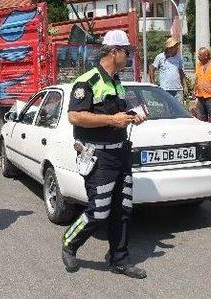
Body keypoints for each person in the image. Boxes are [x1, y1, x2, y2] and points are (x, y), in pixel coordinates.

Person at [61, 30, 146, 279]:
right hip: (98, 157)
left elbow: (123, 113)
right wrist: (112, 119)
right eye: (126, 51)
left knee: (124, 209)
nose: (128, 55)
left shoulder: (117, 81)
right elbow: (75, 116)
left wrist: (134, 117)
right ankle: (69, 242)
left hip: (121, 154)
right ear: (113, 52)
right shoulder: (87, 81)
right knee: (98, 211)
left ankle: (119, 259)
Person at [149, 37, 187, 103]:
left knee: (179, 110)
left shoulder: (178, 57)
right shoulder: (160, 57)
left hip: (178, 90)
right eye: (174, 47)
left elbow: (181, 73)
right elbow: (151, 69)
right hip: (165, 89)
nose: (176, 49)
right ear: (169, 48)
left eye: (176, 47)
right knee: (167, 110)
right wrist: (153, 84)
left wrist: (185, 86)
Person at [194, 47, 211, 123]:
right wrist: (195, 91)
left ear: (206, 55)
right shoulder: (199, 65)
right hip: (200, 97)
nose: (198, 57)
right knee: (201, 120)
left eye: (200, 55)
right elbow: (197, 79)